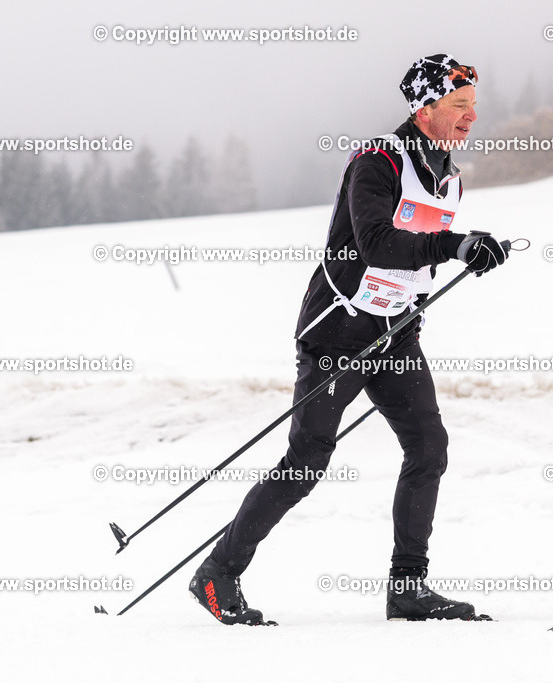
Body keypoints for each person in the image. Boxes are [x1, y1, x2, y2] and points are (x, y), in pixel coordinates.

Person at [189, 54, 509, 625]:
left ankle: (407, 588)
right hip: (338, 328)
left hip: (394, 334)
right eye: (459, 107)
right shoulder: (378, 162)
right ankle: (218, 573)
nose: (470, 117)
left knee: (428, 449)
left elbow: (412, 268)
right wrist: (456, 245)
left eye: (473, 108)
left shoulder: (449, 178)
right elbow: (379, 245)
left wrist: (430, 290)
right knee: (307, 462)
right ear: (425, 107)